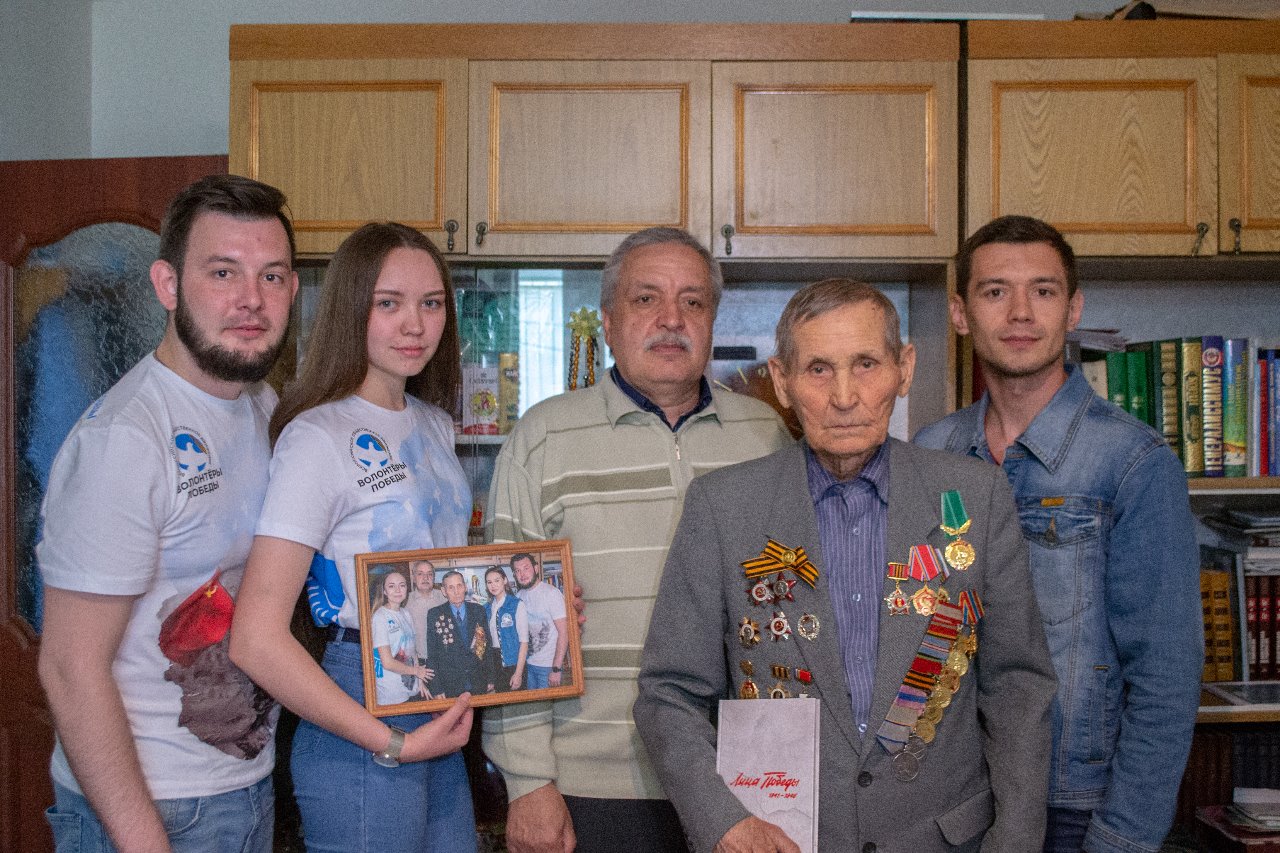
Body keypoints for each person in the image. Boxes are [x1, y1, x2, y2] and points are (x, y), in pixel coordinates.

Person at [635, 278, 1058, 852]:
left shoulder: (973, 497)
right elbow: (668, 694)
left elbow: (1018, 689)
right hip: (781, 839)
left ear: (904, 369)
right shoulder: (723, 508)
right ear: (782, 381)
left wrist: (1017, 841)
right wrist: (724, 823)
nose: (843, 396)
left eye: (865, 364)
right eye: (818, 369)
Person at [483, 226, 794, 853]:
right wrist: (528, 782)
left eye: (692, 301)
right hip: (587, 785)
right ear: (607, 319)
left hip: (742, 782)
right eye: (646, 299)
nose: (671, 319)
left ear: (712, 320)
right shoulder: (542, 439)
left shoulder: (766, 436)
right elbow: (504, 624)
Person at [914, 215, 1202, 853]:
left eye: (1042, 291)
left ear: (1073, 310)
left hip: (1073, 808)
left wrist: (1124, 836)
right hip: (948, 802)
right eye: (995, 291)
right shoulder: (932, 452)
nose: (1020, 312)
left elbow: (1166, 677)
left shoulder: (1132, 462)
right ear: (960, 313)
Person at [36, 174, 297, 851]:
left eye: (271, 276)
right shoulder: (125, 440)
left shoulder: (263, 406)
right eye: (223, 272)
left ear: (293, 290)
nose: (251, 298)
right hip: (153, 810)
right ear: (168, 285)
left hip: (244, 783)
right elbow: (68, 668)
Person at [229, 221, 475, 852]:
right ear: (350, 309)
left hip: (438, 683)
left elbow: (442, 569)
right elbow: (255, 638)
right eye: (388, 304)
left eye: (431, 304)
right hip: (359, 698)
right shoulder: (317, 436)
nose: (415, 325)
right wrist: (392, 741)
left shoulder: (434, 424)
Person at [425, 570, 493, 697]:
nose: (456, 592)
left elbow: (487, 646)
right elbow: (432, 654)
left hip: (478, 681)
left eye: (459, 586)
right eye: (451, 587)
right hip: (450, 685)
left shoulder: (478, 610)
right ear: (444, 591)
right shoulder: (435, 614)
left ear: (465, 587)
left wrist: (490, 678)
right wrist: (436, 688)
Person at [370, 568, 432, 705]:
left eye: (402, 585)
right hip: (391, 694)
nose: (398, 590)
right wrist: (416, 671)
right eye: (392, 586)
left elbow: (412, 652)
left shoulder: (406, 614)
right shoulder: (380, 617)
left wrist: (420, 682)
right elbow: (387, 662)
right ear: (384, 591)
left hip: (410, 688)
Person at [510, 552, 566, 689]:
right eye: (517, 571)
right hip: (527, 666)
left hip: (548, 667)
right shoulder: (518, 596)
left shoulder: (551, 593)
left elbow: (564, 633)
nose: (522, 574)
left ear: (535, 569)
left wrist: (556, 669)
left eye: (526, 568)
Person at [485, 566, 529, 692]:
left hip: (514, 663)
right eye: (489, 582)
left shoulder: (516, 604)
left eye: (497, 580)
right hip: (495, 662)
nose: (493, 585)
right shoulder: (486, 608)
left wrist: (518, 674)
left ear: (504, 580)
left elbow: (524, 642)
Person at [407, 558, 447, 661]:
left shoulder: (445, 598)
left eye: (429, 574)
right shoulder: (405, 602)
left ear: (434, 578)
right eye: (420, 574)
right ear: (414, 578)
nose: (425, 578)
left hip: (444, 661)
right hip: (418, 662)